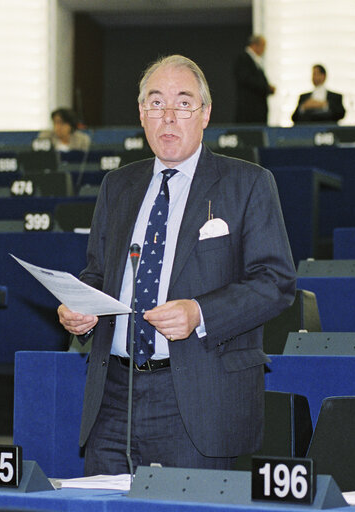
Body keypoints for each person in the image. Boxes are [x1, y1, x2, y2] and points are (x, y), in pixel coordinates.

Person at [57, 54, 296, 475]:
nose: (168, 116)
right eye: (155, 103)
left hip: (198, 396)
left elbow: (275, 283)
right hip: (114, 395)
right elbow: (98, 273)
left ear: (205, 115)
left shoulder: (248, 183)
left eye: (183, 104)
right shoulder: (117, 185)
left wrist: (200, 312)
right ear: (141, 114)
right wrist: (81, 307)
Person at [234, 35, 276, 124]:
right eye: (263, 46)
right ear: (255, 45)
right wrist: (266, 88)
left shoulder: (256, 61)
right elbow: (247, 80)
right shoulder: (244, 59)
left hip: (257, 111)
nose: (264, 49)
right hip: (249, 110)